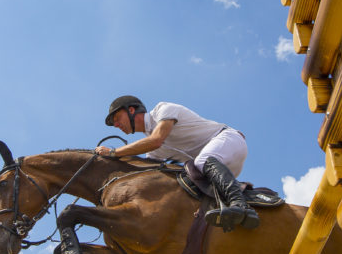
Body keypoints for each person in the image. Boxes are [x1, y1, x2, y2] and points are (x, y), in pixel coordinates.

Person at [94, 96, 259, 230]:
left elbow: (156, 140)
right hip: (220, 168)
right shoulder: (154, 152)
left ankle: (240, 205)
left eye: (117, 118)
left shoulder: (162, 109)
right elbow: (142, 174)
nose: (116, 125)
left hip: (229, 140)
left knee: (200, 163)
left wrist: (114, 152)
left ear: (131, 110)